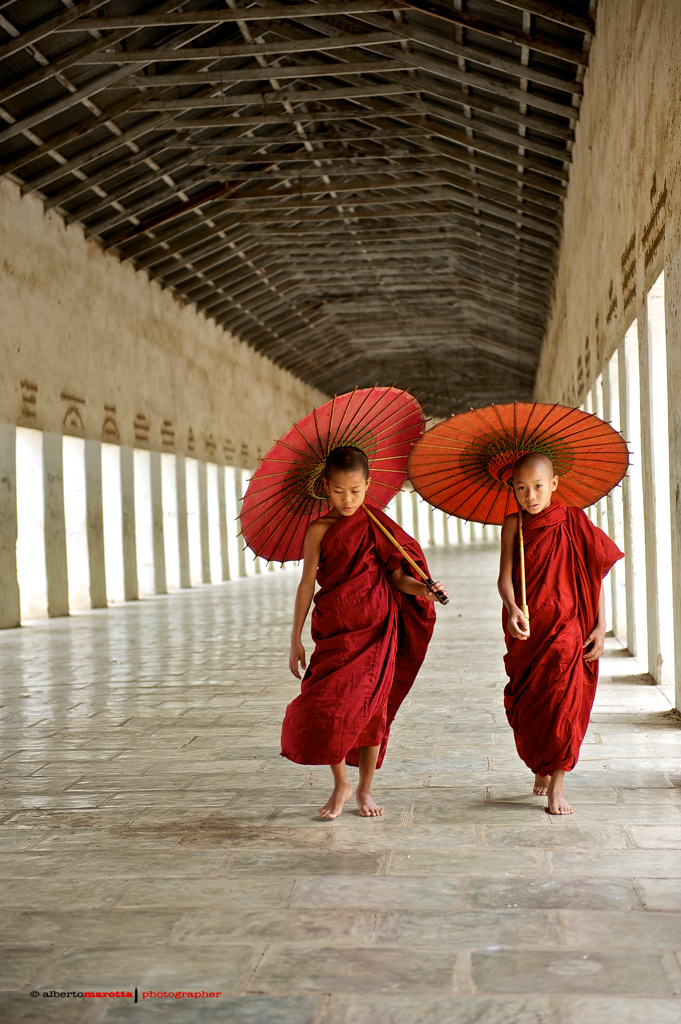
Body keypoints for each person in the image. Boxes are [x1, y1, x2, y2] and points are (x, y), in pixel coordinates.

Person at [282, 446, 446, 819]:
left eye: (356, 491)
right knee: (324, 703)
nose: (348, 499)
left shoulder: (377, 525)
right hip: (335, 631)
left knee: (374, 709)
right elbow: (307, 584)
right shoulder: (318, 530)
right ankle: (341, 782)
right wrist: (295, 638)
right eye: (339, 491)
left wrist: (424, 589)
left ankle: (365, 790)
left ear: (368, 485)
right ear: (326, 486)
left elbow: (398, 577)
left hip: (375, 632)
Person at [498, 452, 623, 815]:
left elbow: (593, 578)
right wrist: (511, 608)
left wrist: (600, 626)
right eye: (521, 488)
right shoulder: (513, 525)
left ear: (554, 484)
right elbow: (505, 578)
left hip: (569, 624)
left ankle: (558, 780)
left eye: (538, 486)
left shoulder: (573, 521)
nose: (530, 496)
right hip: (528, 627)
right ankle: (542, 765)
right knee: (531, 700)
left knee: (563, 701)